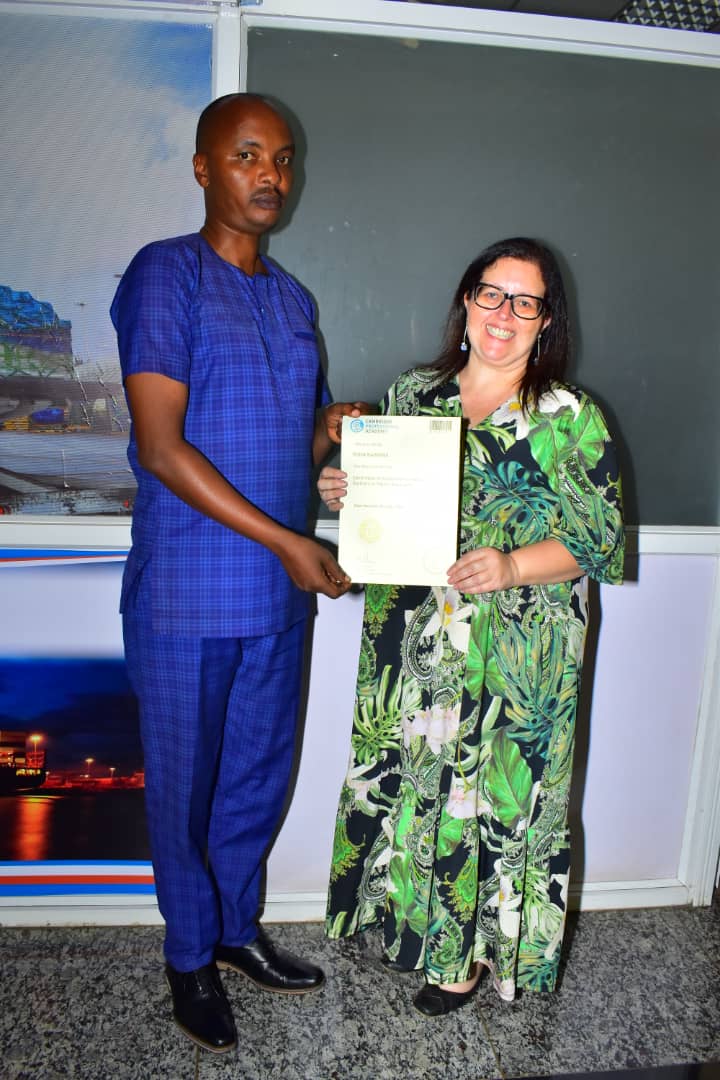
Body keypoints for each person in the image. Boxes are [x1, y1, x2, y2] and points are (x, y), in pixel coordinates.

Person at [110, 93, 369, 1054]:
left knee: (256, 775)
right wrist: (294, 543)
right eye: (248, 155)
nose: (270, 175)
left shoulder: (293, 299)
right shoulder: (163, 278)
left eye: (284, 159)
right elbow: (164, 448)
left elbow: (284, 450)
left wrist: (329, 434)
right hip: (187, 593)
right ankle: (187, 957)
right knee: (184, 784)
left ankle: (234, 931)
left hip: (276, 597)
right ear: (204, 168)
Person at [318, 237, 624, 1016]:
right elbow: (379, 516)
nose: (505, 315)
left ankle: (474, 958)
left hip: (520, 654)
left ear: (546, 322)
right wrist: (344, 492)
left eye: (526, 303)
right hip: (418, 643)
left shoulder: (569, 417)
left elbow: (599, 541)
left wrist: (514, 565)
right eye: (493, 294)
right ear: (466, 299)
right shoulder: (413, 395)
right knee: (423, 792)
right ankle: (427, 941)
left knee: (496, 803)